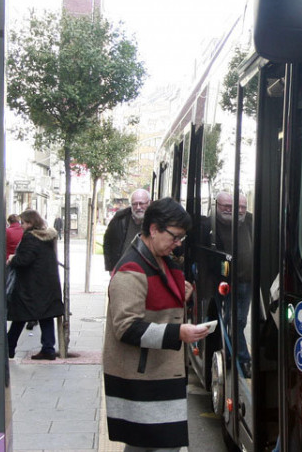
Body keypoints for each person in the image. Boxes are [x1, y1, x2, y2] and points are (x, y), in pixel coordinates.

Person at [102, 197, 209, 451]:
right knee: (158, 444)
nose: (178, 243)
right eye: (174, 236)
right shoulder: (132, 268)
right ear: (153, 229)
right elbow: (126, 327)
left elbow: (155, 301)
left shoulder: (157, 258)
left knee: (146, 443)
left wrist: (180, 294)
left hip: (155, 372)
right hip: (145, 376)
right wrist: (178, 332)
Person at [202, 191, 253, 376]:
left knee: (238, 321)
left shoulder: (250, 221)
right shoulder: (208, 225)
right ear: (217, 205)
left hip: (245, 282)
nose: (235, 211)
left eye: (241, 207)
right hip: (219, 283)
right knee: (225, 321)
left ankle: (231, 353)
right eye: (228, 207)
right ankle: (243, 359)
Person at [6, 210, 64, 360]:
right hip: (47, 284)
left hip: (31, 286)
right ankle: (48, 348)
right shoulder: (47, 237)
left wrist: (13, 259)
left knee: (20, 315)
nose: (22, 226)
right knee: (46, 316)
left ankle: (8, 347)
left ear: (31, 223)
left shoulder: (30, 237)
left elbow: (24, 260)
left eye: (23, 223)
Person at [104, 189, 150, 274]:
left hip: (145, 271)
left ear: (149, 203)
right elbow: (108, 241)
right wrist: (110, 267)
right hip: (122, 270)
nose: (138, 207)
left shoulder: (155, 220)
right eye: (135, 204)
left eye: (141, 203)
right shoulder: (120, 218)